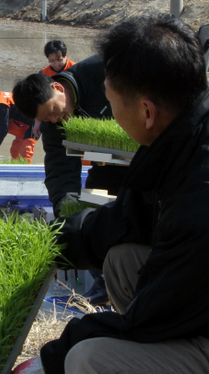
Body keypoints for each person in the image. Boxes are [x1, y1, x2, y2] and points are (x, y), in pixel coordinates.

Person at [13, 14, 209, 374]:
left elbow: (152, 316)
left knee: (88, 359)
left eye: (113, 103)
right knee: (121, 259)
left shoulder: (198, 199)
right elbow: (129, 216)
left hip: (192, 315)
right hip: (190, 302)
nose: (111, 117)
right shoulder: (185, 140)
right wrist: (55, 241)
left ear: (147, 111)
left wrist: (52, 357)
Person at [13, 56, 127, 217]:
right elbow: (60, 166)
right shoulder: (53, 124)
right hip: (108, 167)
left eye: (52, 111)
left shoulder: (102, 70)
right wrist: (64, 205)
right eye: (45, 119)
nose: (54, 119)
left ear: (58, 88)